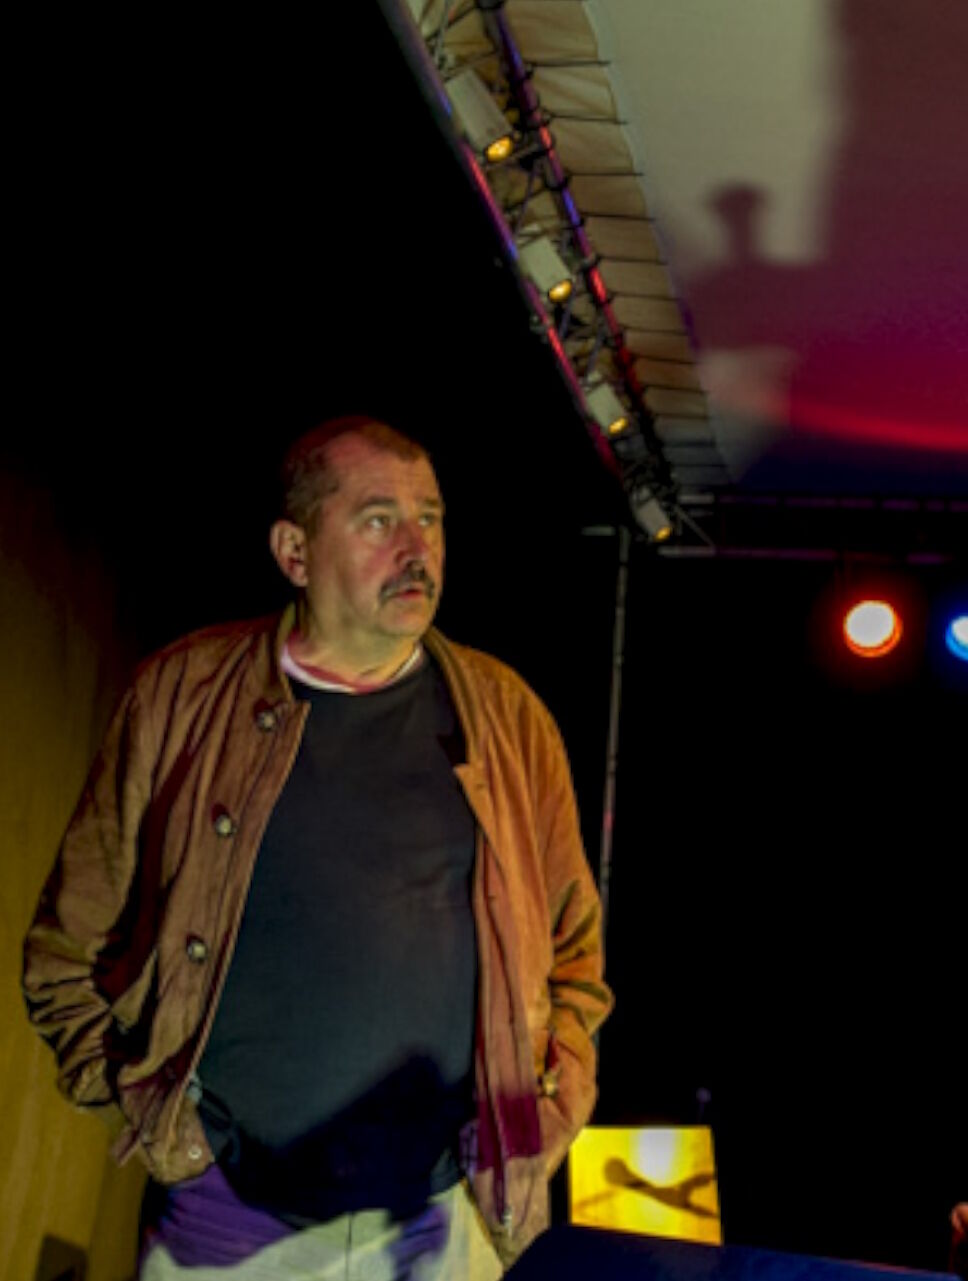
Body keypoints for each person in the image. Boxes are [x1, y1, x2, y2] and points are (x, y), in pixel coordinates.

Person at [23, 417, 613, 1278]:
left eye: (433, 518)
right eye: (379, 519)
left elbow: (576, 962)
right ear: (294, 551)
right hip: (225, 1215)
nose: (418, 547)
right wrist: (156, 1121)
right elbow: (64, 951)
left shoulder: (508, 717)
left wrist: (542, 1119)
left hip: (446, 1216)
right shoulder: (183, 697)